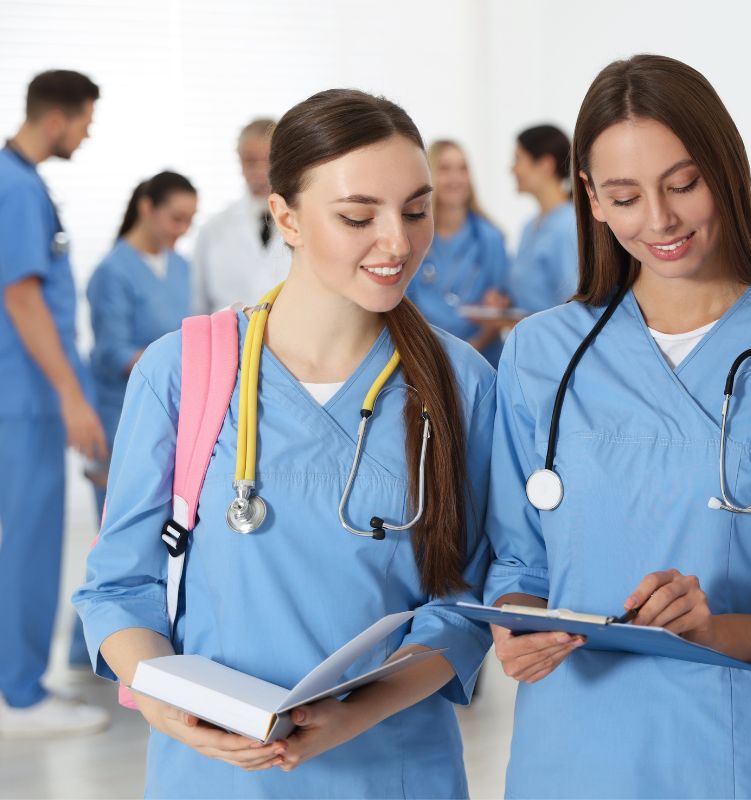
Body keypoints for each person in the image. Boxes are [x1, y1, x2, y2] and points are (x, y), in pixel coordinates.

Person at [485, 54, 751, 798]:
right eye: (626, 196)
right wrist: (513, 626)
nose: (661, 220)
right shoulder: (540, 354)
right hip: (568, 755)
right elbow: (516, 567)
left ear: (726, 170)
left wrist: (716, 633)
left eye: (682, 184)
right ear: (592, 201)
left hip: (742, 758)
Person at [74, 89, 495, 797]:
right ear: (286, 217)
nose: (397, 241)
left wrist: (352, 714)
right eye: (359, 216)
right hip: (214, 776)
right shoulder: (184, 370)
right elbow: (119, 586)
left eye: (416, 211)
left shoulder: (462, 384)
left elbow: (467, 603)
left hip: (393, 771)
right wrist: (163, 704)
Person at [0, 69, 110, 737]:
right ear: (56, 119)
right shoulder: (15, 188)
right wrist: (71, 396)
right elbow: (21, 296)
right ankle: (19, 696)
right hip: (27, 398)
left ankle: (16, 685)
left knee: (20, 540)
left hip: (20, 394)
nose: (88, 133)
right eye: (86, 121)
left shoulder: (20, 183)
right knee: (29, 544)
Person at [87, 171, 197, 503]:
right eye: (176, 218)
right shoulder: (113, 271)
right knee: (123, 515)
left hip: (175, 411)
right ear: (147, 208)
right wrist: (179, 362)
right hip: (123, 414)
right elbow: (113, 351)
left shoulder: (182, 267)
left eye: (190, 221)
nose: (183, 229)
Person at [406, 140, 508, 365]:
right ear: (428, 177)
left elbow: (498, 308)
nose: (455, 178)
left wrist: (469, 352)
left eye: (462, 169)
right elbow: (405, 306)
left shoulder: (490, 238)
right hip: (426, 359)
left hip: (481, 360)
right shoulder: (412, 238)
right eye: (445, 169)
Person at [191, 118, 291, 313]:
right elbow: (198, 307)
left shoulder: (304, 222)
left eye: (269, 160)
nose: (261, 171)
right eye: (251, 161)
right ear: (239, 160)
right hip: (227, 340)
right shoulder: (213, 229)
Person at [490, 124, 577, 319]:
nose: (512, 168)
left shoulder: (569, 225)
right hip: (532, 339)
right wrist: (506, 301)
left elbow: (575, 302)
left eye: (518, 159)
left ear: (545, 164)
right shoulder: (529, 227)